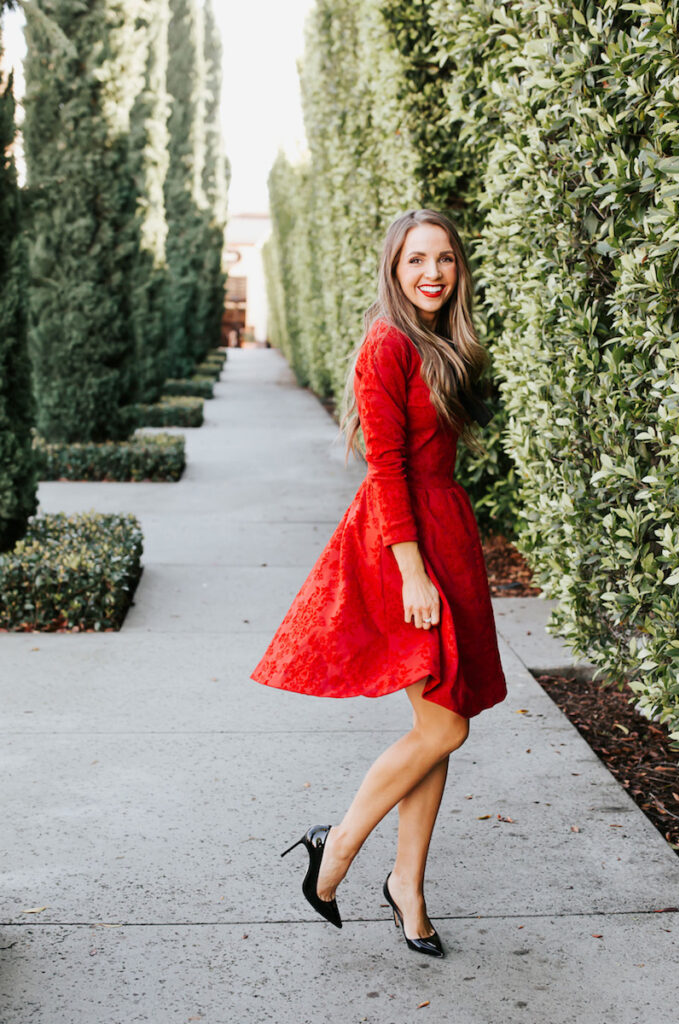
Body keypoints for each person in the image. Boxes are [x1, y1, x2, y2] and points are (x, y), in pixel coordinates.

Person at [250, 208, 507, 958]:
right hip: (403, 544)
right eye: (415, 262)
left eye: (445, 260)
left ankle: (408, 886)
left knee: (441, 727)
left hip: (446, 530)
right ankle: (333, 850)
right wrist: (412, 572)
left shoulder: (443, 342)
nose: (432, 273)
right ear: (393, 271)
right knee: (444, 726)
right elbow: (386, 468)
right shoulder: (386, 343)